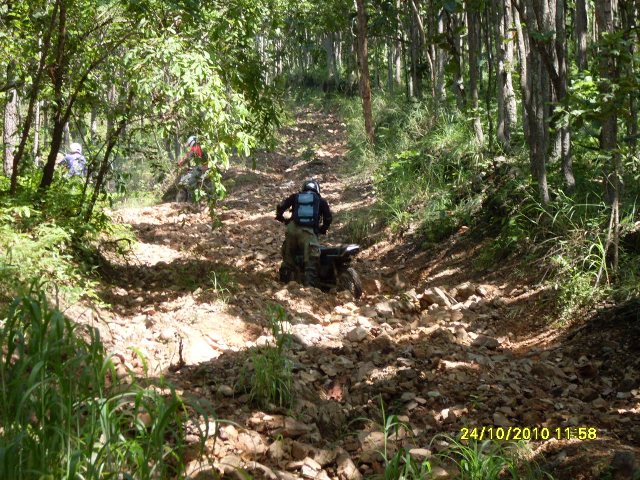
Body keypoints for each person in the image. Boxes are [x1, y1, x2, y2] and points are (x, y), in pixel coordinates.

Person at [275, 179, 332, 287]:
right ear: (317, 189)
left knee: (288, 259)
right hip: (308, 233)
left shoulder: (295, 197)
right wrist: (323, 229)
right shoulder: (320, 200)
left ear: (304, 188)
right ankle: (309, 290)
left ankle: (282, 284)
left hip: (292, 229)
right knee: (311, 262)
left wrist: (281, 218)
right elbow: (328, 218)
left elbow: (280, 206)